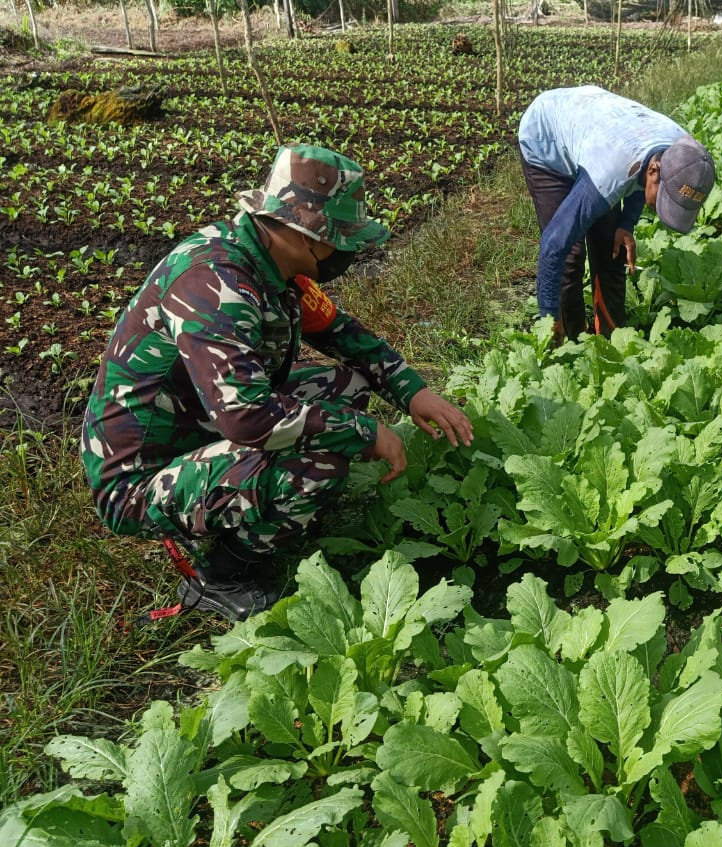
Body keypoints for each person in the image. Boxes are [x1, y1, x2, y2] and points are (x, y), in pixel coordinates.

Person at [81, 143, 473, 621]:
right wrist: (365, 432)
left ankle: (261, 507)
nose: (345, 252)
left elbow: (339, 333)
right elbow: (246, 419)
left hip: (204, 425)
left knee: (346, 386)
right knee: (321, 458)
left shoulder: (271, 264)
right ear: (303, 234)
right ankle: (221, 575)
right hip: (142, 478)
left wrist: (412, 390)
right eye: (341, 239)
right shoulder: (216, 283)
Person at [517, 85, 717, 343]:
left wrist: (626, 224)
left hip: (600, 130)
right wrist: (548, 317)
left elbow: (641, 174)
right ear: (655, 171)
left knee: (612, 246)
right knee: (570, 256)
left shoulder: (684, 153)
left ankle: (611, 340)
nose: (661, 209)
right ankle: (569, 340)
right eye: (665, 198)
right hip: (547, 138)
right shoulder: (608, 174)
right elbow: (553, 245)